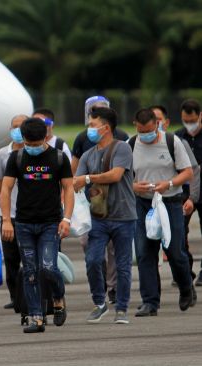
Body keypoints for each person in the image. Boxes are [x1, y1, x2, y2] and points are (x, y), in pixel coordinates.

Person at [1, 118, 74, 333]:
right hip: (23, 223)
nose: (32, 149)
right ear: (23, 140)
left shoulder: (58, 158)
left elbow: (69, 188)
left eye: (36, 144)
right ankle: (36, 317)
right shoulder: (16, 157)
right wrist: (6, 219)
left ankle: (59, 297)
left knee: (49, 268)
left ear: (45, 138)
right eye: (28, 144)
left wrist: (67, 219)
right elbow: (5, 188)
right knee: (31, 271)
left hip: (50, 223)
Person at [73, 107, 136, 325]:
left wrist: (88, 179)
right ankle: (99, 303)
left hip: (123, 216)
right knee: (92, 260)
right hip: (98, 217)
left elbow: (115, 175)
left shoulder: (122, 149)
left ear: (105, 127)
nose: (89, 129)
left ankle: (122, 307)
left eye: (92, 124)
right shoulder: (88, 155)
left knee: (123, 264)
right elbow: (75, 182)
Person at [131, 108, 194, 316]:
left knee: (175, 251)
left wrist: (169, 183)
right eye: (141, 131)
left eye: (149, 131)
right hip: (144, 204)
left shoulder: (171, 141)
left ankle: (186, 289)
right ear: (135, 126)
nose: (145, 136)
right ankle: (150, 302)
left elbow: (188, 172)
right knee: (144, 252)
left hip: (170, 202)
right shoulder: (130, 145)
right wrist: (134, 187)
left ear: (156, 125)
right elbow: (123, 178)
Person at [153, 105, 199, 297]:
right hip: (163, 200)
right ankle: (182, 276)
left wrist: (192, 198)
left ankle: (187, 280)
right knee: (158, 247)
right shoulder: (137, 143)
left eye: (158, 120)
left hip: (185, 195)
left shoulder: (176, 142)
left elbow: (193, 172)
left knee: (177, 244)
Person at [0, 114, 28, 310]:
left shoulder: (34, 152)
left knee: (29, 257)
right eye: (14, 126)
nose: (17, 130)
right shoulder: (3, 154)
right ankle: (15, 296)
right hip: (8, 215)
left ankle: (31, 295)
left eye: (21, 126)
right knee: (11, 258)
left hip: (29, 215)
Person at [174, 99, 202, 287]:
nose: (189, 123)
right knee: (179, 233)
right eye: (185, 120)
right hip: (184, 193)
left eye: (192, 120)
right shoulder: (177, 137)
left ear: (200, 116)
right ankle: (185, 270)